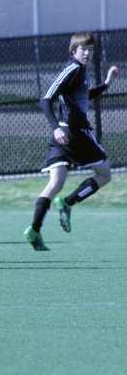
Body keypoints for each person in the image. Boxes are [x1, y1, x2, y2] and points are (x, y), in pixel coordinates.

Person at [24, 31, 119, 251]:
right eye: (83, 49)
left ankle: (34, 230)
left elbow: (82, 97)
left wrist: (106, 84)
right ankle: (68, 202)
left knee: (55, 183)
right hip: (72, 133)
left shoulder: (81, 72)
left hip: (63, 137)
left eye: (90, 49)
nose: (87, 53)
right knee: (105, 174)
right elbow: (45, 99)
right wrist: (56, 127)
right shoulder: (73, 69)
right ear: (73, 51)